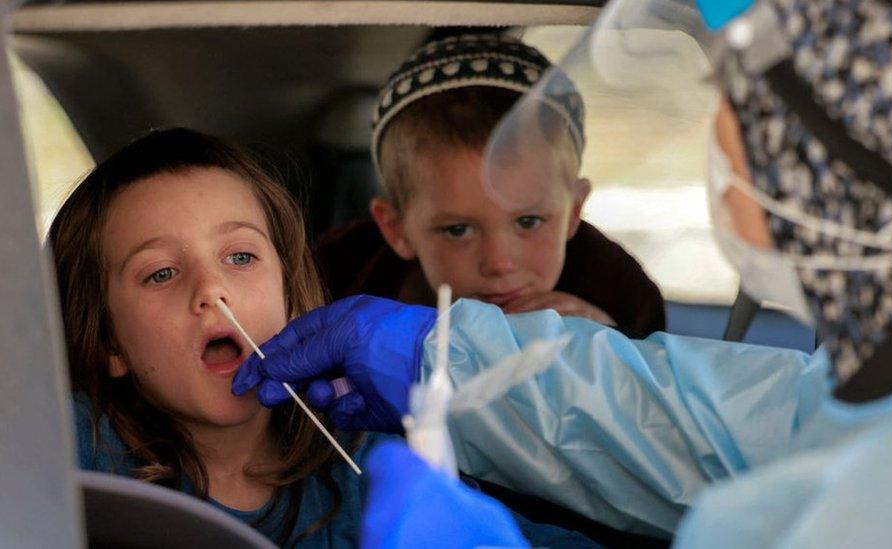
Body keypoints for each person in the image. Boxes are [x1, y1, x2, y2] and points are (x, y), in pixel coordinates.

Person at [235, 0, 892, 545]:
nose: (723, 131)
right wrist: (442, 357)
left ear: (834, 160)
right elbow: (704, 425)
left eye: (738, 99)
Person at [48, 128, 599, 547]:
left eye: (241, 257)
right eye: (161, 273)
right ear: (109, 343)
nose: (212, 290)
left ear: (289, 294)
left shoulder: (375, 469)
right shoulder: (67, 451)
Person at [315, 33, 667, 338]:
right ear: (397, 229)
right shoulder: (333, 284)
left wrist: (609, 347)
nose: (499, 263)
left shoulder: (618, 294)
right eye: (457, 230)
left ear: (573, 212)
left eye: (528, 222)